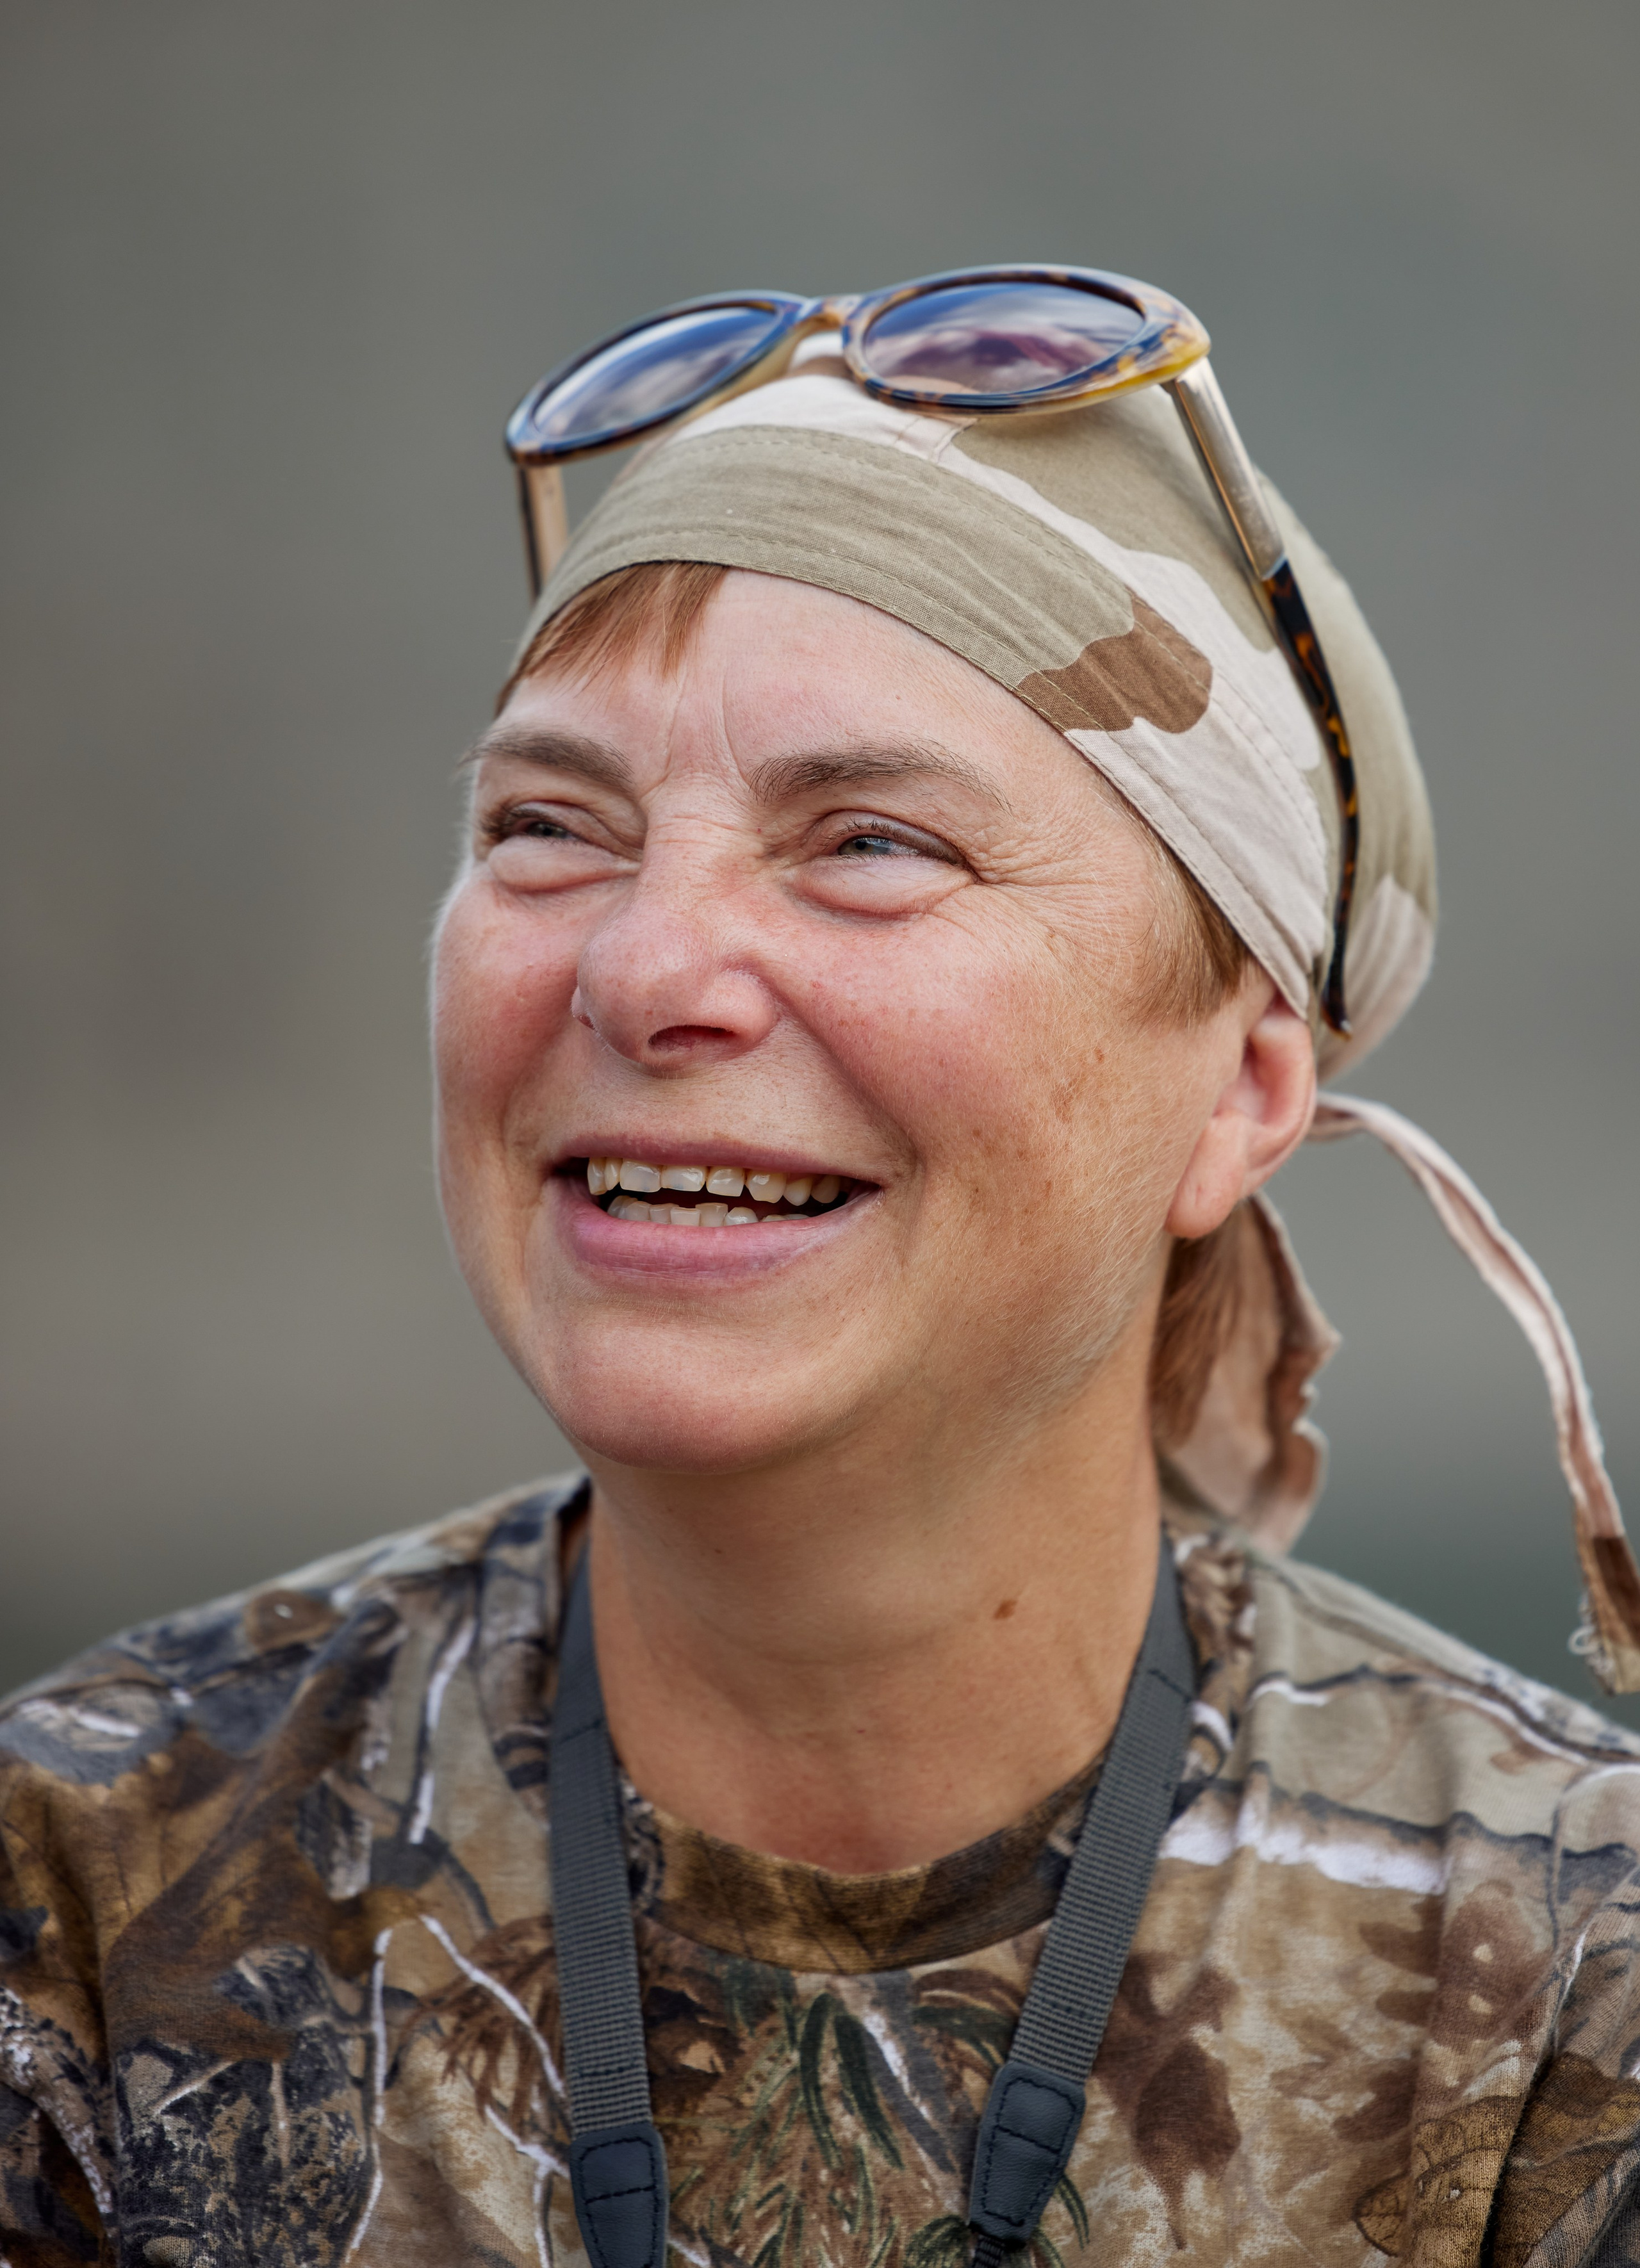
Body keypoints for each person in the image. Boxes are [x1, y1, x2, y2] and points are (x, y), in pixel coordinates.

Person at [3, 268, 1639, 2268]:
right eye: (547, 827)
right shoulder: (90, 1899)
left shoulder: (1566, 1985)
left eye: (868, 842)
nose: (643, 968)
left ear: (1240, 1090)